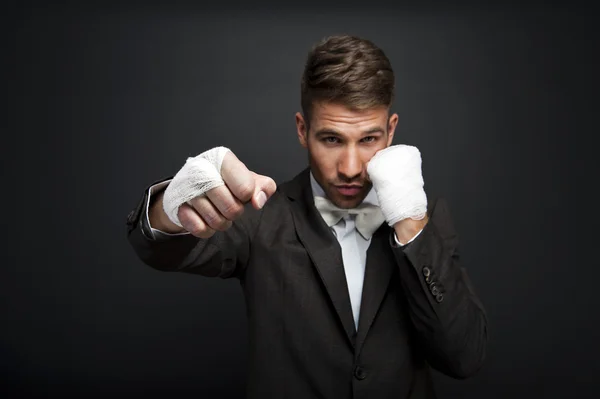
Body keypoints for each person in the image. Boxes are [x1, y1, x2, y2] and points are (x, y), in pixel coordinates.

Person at [126, 34, 488, 399]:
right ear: (303, 130)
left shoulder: (428, 218)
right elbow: (157, 249)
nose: (350, 168)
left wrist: (410, 225)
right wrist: (173, 202)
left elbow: (464, 356)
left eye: (368, 139)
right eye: (331, 139)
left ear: (391, 130)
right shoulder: (260, 213)